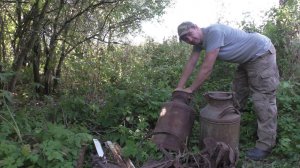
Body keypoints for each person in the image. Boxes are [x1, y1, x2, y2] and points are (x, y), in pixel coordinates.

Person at [175, 21, 280, 160]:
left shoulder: (214, 32)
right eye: (184, 39)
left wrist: (190, 89)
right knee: (236, 96)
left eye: (189, 34)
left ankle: (265, 145)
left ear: (196, 27)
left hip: (261, 54)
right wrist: (179, 87)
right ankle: (232, 129)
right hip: (246, 60)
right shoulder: (199, 43)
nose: (189, 39)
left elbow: (207, 68)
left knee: (263, 100)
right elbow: (191, 63)